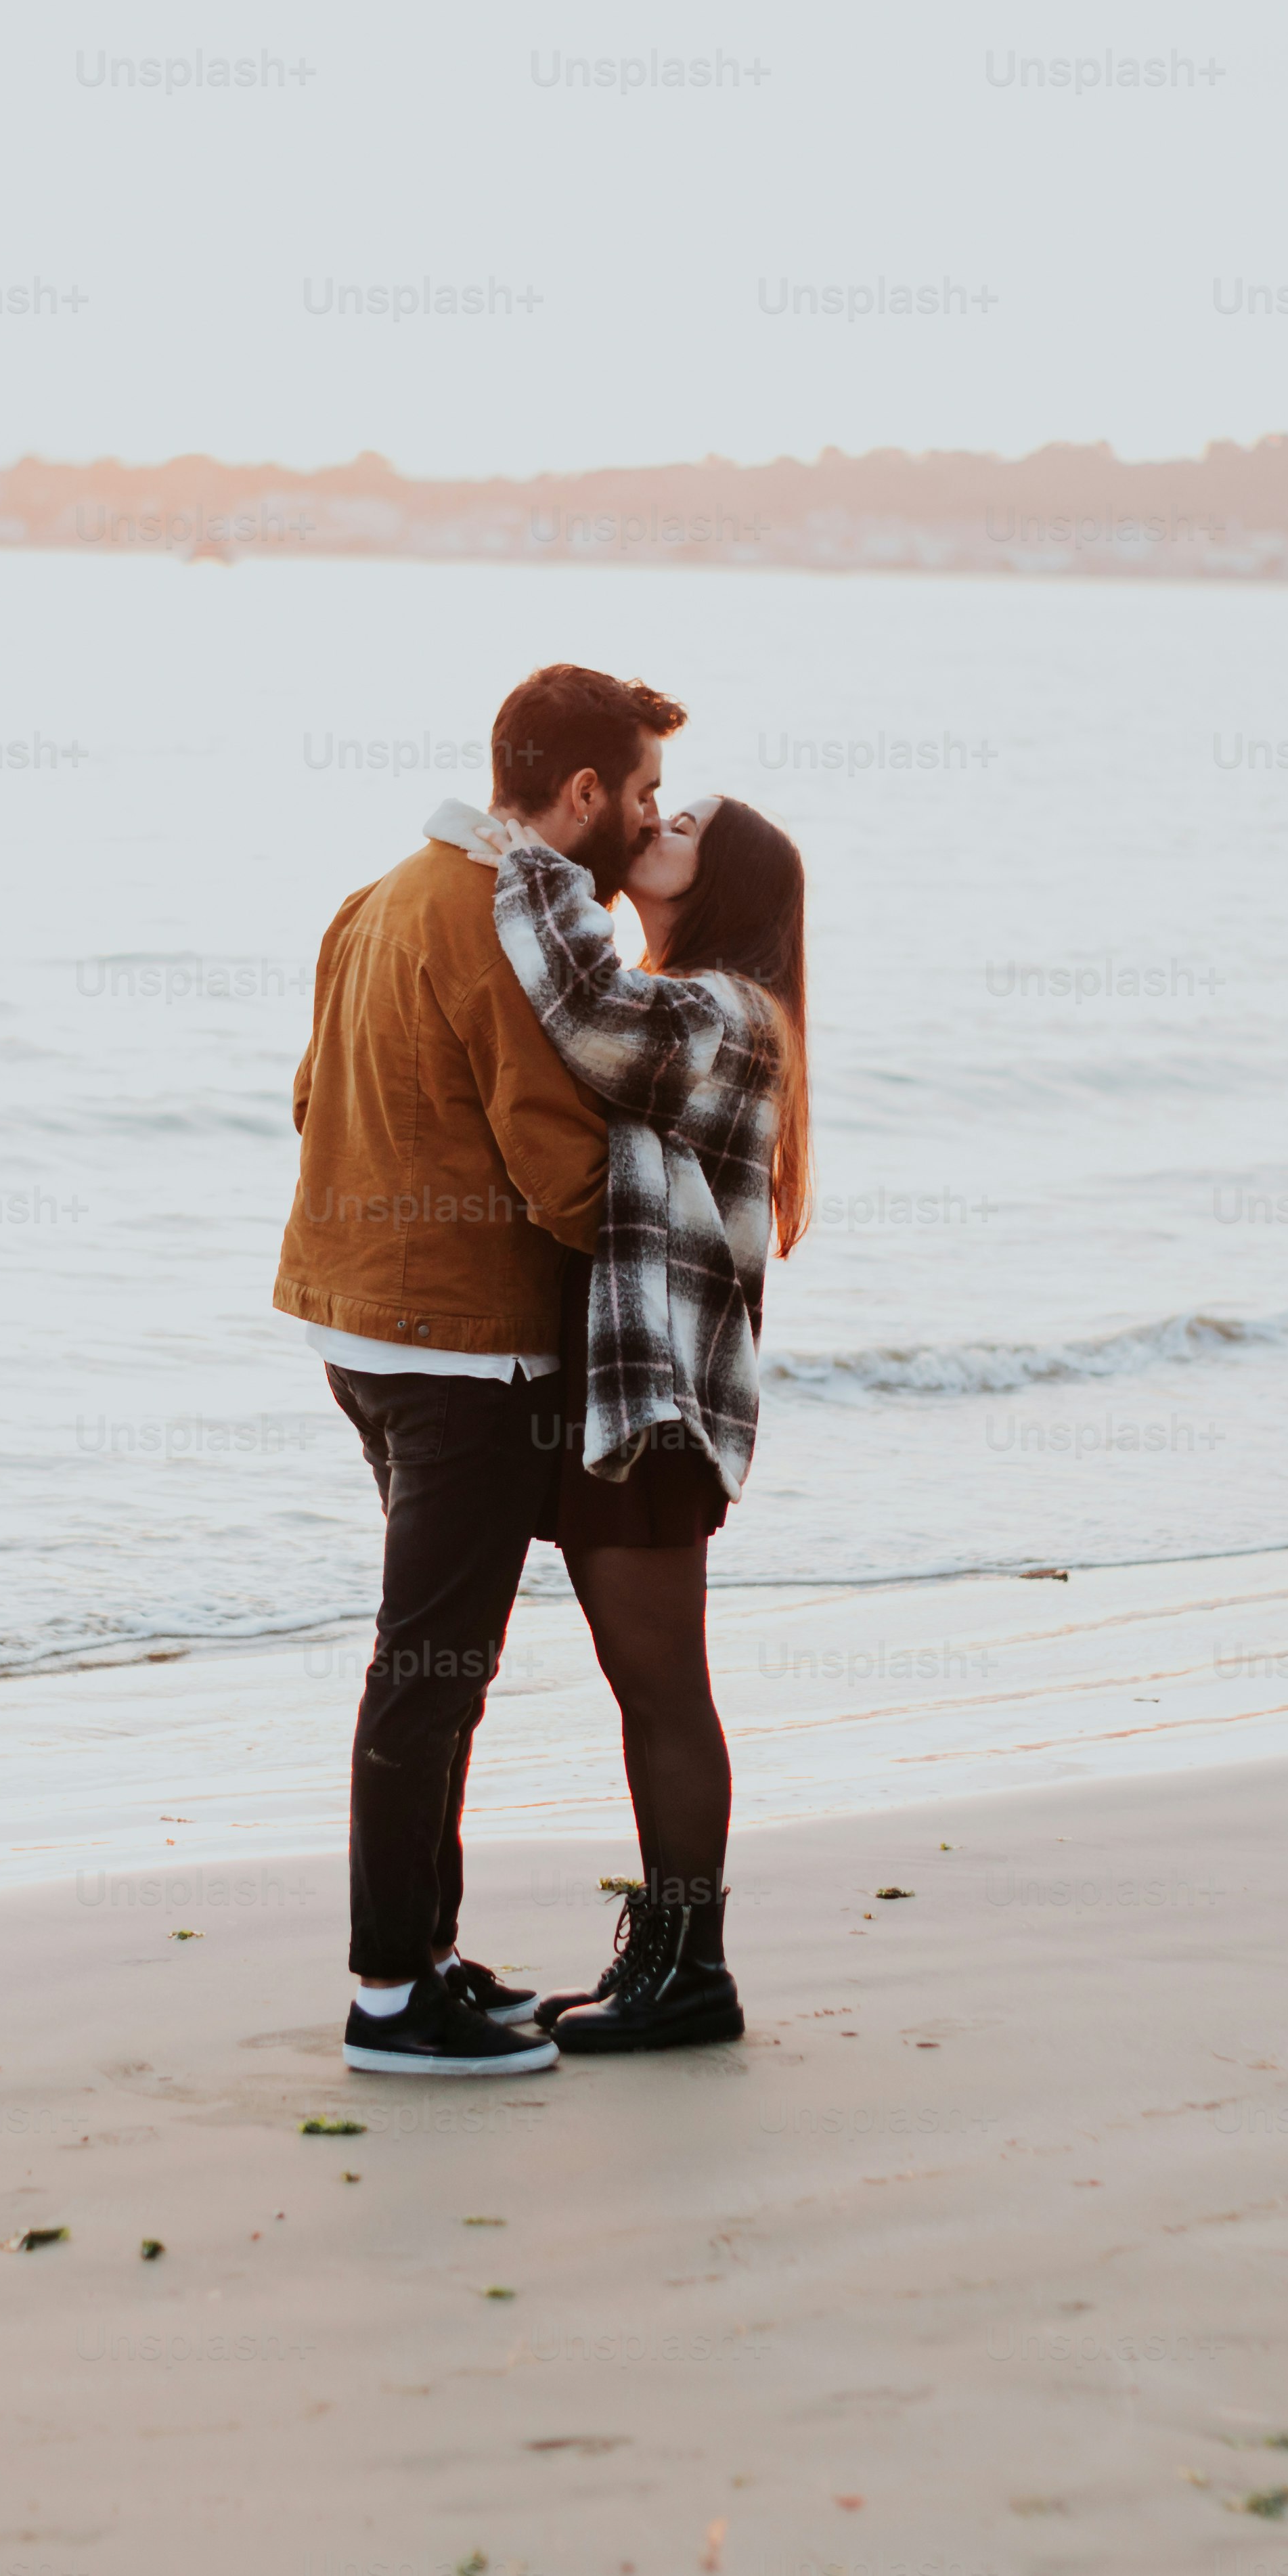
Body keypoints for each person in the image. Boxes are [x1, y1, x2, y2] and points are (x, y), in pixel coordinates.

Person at [272, 663, 677, 2077]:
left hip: (357, 1328)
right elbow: (556, 1162)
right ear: (579, 795)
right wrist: (681, 1202)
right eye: (640, 794)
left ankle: (428, 1951)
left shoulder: (381, 893)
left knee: (434, 1661)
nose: (648, 817)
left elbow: (314, 1096)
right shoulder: (511, 918)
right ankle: (389, 1993)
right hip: (463, 1352)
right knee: (431, 1672)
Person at [468, 780, 810, 2053]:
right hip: (641, 1396)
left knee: (663, 1690)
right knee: (647, 1687)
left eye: (681, 831)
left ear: (721, 882)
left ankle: (693, 1971)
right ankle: (667, 1956)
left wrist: (531, 863)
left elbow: (589, 1017)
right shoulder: (715, 1005)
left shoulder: (725, 1012)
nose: (653, 832)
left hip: (662, 1405)